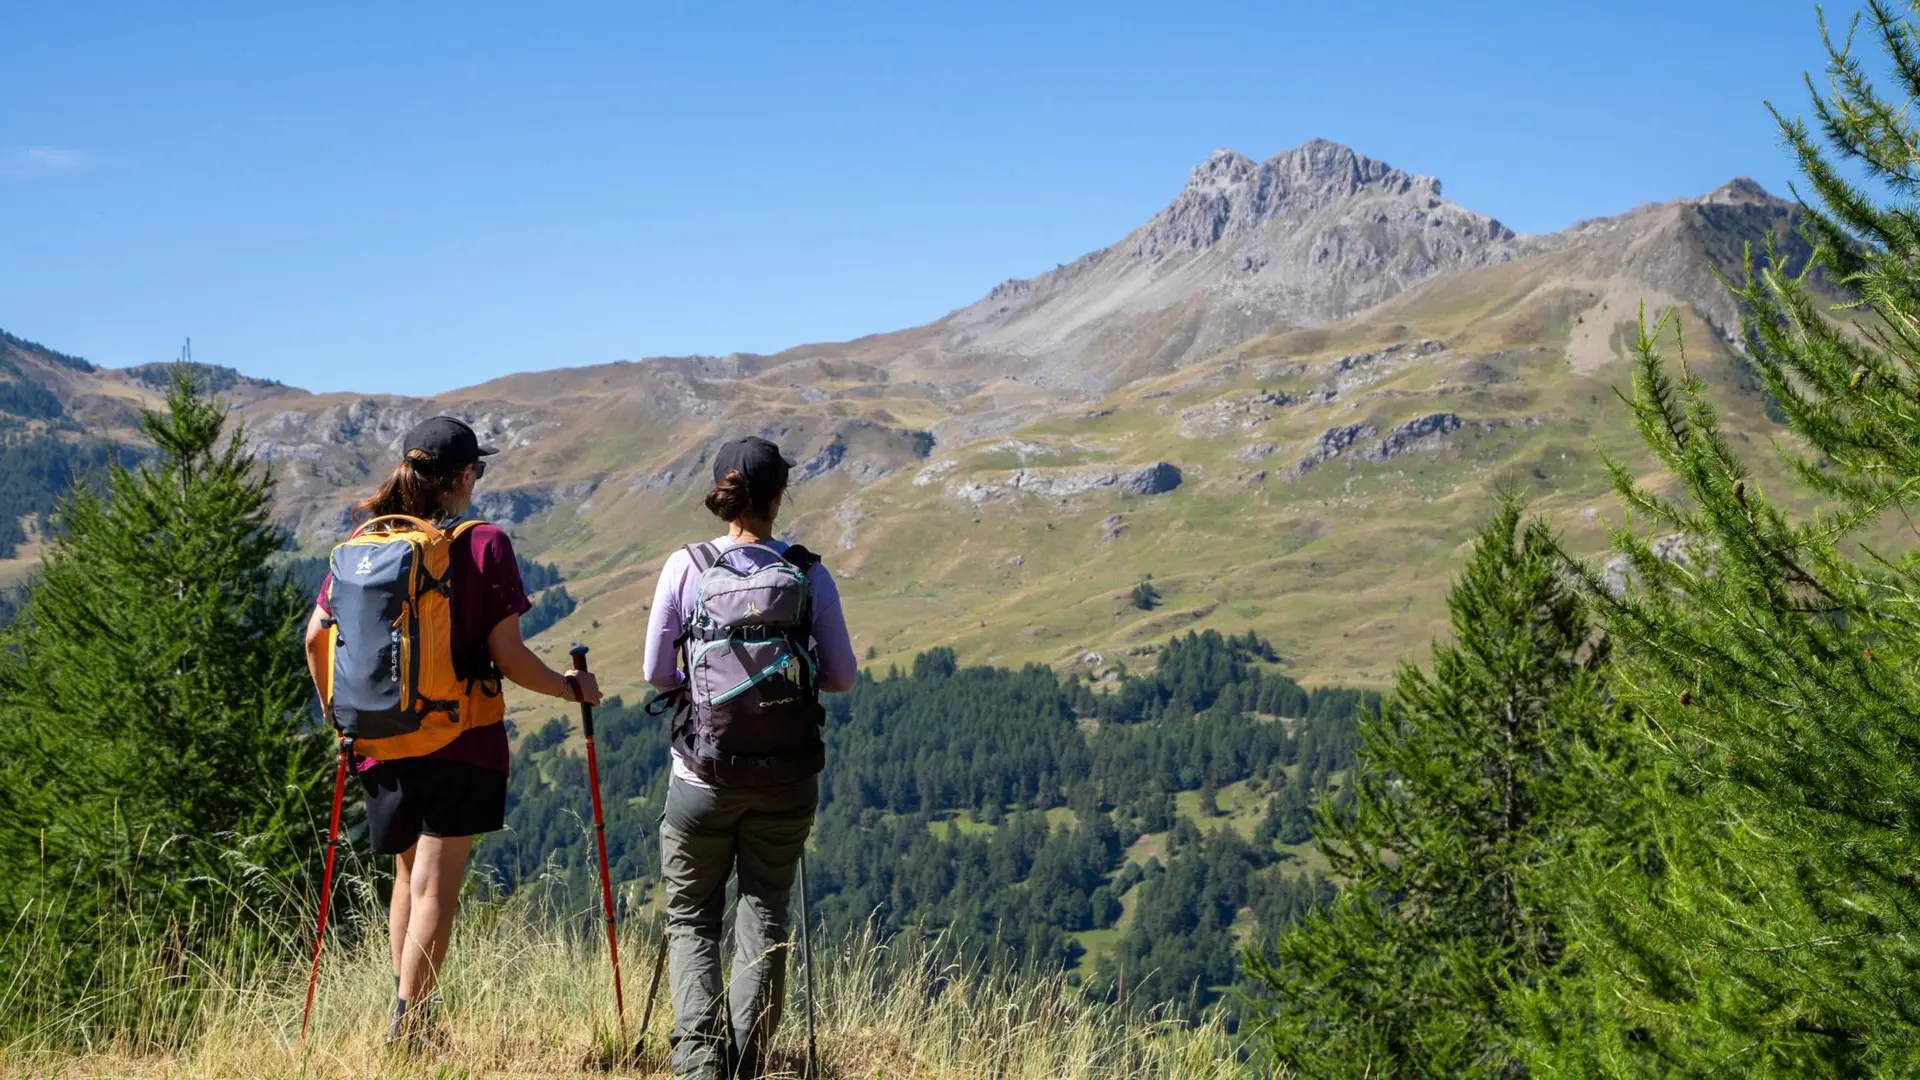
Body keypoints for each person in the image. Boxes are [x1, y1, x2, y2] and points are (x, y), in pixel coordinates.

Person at [301, 415, 602, 1049]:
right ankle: (409, 1029)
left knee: (407, 879)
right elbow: (509, 658)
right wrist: (569, 688)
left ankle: (410, 1015)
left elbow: (314, 637)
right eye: (478, 469)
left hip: (378, 738)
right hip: (459, 738)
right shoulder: (484, 542)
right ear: (464, 475)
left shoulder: (366, 543)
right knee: (436, 887)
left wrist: (340, 716)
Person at [643, 436, 858, 1080]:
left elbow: (655, 673)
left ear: (721, 493)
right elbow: (841, 676)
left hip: (701, 772)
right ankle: (748, 1063)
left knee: (691, 917)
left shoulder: (686, 566)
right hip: (787, 777)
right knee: (766, 910)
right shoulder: (807, 572)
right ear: (778, 497)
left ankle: (699, 1063)